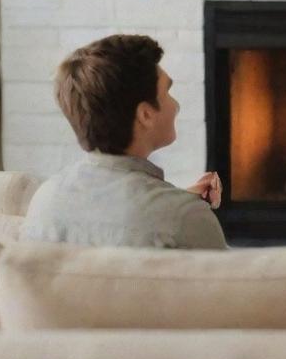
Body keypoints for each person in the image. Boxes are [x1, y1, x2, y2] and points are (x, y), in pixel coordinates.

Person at [21, 34, 227, 249]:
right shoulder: (185, 219)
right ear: (145, 115)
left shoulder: (46, 200)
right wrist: (183, 209)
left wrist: (177, 201)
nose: (176, 106)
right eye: (167, 91)